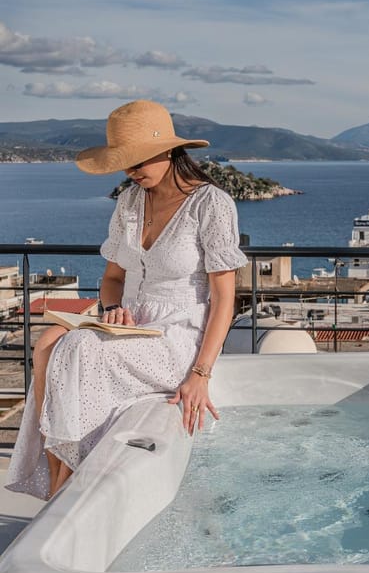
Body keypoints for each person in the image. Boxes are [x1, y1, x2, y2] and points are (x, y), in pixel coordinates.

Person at [5, 100, 248, 500]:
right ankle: (57, 487)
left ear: (170, 149)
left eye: (140, 158)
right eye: (125, 161)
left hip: (178, 335)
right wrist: (111, 308)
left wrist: (200, 375)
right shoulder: (129, 203)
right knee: (46, 344)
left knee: (77, 348)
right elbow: (113, 278)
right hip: (129, 325)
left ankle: (67, 488)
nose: (132, 169)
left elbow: (224, 299)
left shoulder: (210, 204)